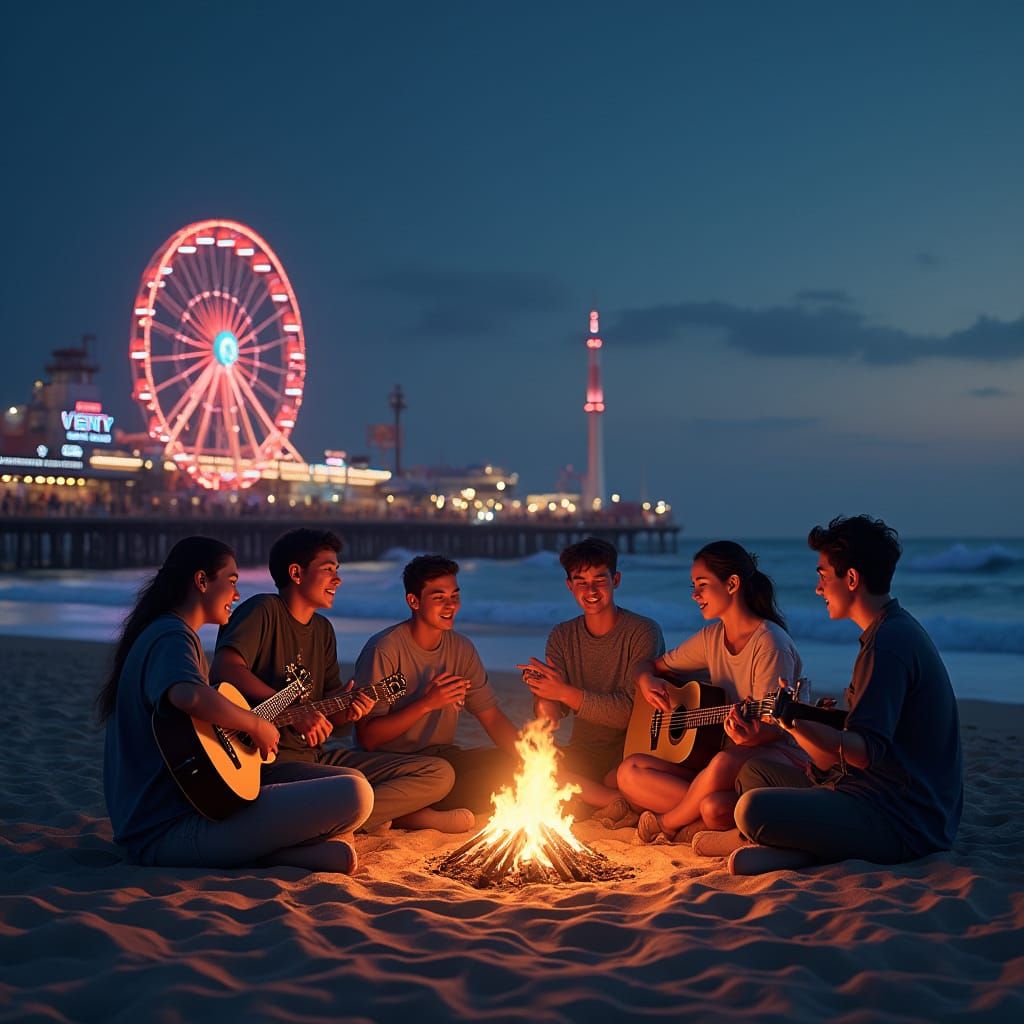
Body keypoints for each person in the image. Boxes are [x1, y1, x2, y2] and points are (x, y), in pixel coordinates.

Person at [99, 536, 372, 873]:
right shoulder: (172, 635)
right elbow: (189, 695)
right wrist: (256, 724)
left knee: (344, 786)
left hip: (183, 815)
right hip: (167, 831)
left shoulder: (166, 633)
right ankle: (263, 854)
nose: (237, 595)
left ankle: (268, 854)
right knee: (354, 792)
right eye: (230, 582)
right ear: (201, 581)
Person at [729, 515, 964, 875]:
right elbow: (837, 756)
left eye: (823, 576)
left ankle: (803, 853)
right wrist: (792, 722)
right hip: (866, 792)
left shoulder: (888, 644)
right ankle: (801, 848)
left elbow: (862, 752)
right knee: (754, 772)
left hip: (902, 818)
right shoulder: (888, 630)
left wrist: (790, 718)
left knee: (752, 809)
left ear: (851, 579)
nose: (818, 589)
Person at [211, 529, 456, 833]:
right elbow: (225, 667)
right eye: (328, 570)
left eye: (338, 571)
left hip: (316, 758)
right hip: (261, 761)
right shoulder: (264, 610)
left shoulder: (323, 631)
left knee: (438, 772)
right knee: (352, 785)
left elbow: (330, 719)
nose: (337, 579)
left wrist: (350, 710)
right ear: (296, 573)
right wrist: (296, 707)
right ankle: (362, 816)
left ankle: (361, 818)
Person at [616, 541, 805, 850]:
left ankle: (669, 823)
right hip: (718, 759)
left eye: (702, 585)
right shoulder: (711, 637)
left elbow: (774, 730)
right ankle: (698, 816)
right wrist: (646, 679)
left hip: (770, 760)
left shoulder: (770, 643)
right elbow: (647, 665)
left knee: (717, 789)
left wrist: (751, 733)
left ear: (732, 584)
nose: (695, 595)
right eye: (693, 586)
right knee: (630, 772)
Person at [353, 555, 520, 821]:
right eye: (439, 597)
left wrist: (533, 760)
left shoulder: (461, 648)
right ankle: (407, 813)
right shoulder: (384, 649)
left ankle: (413, 814)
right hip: (394, 765)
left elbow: (492, 717)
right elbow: (369, 739)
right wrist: (428, 703)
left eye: (455, 596)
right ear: (414, 601)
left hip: (441, 757)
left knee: (513, 769)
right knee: (445, 775)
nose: (451, 605)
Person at [515, 537, 664, 825]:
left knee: (613, 777)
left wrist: (564, 690)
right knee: (534, 765)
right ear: (569, 585)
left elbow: (627, 713)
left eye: (599, 580)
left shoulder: (643, 632)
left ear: (616, 580)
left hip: (634, 750)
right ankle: (616, 803)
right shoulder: (562, 635)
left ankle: (608, 799)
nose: (591, 590)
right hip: (584, 752)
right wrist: (544, 690)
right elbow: (552, 720)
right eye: (580, 581)